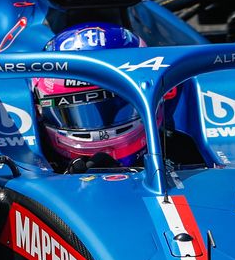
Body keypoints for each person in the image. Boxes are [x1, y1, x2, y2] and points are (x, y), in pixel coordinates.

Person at [31, 23, 154, 170]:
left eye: (118, 104)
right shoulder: (28, 161)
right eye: (78, 113)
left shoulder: (178, 146)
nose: (103, 133)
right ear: (38, 108)